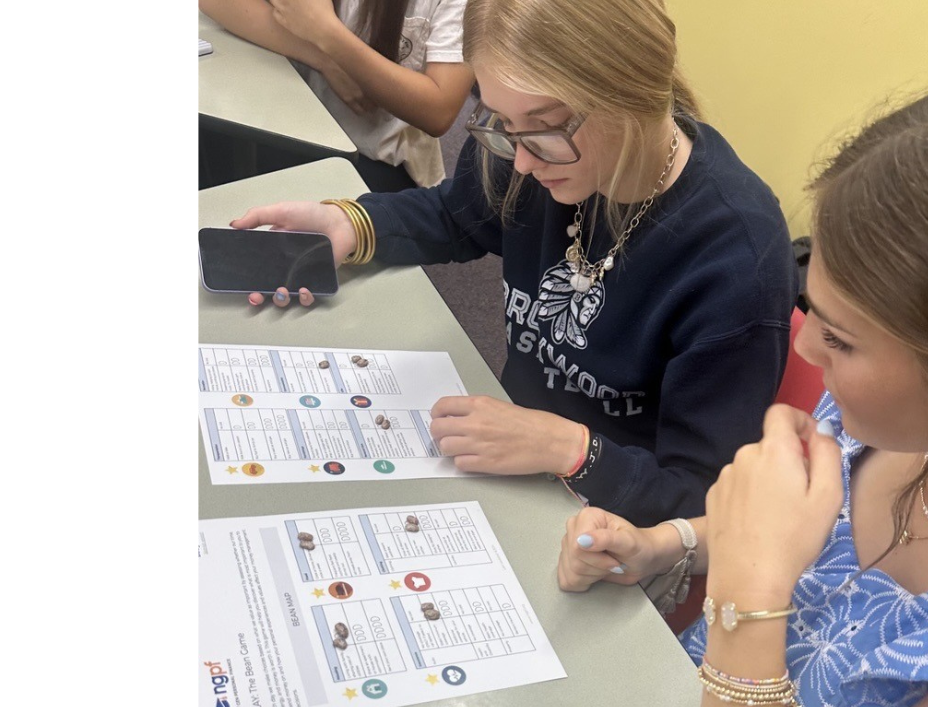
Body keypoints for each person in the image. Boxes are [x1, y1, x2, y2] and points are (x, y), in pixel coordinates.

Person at [556, 75, 928, 707]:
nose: (804, 354)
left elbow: (765, 569)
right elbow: (791, 533)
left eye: (841, 340)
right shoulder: (880, 426)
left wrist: (747, 596)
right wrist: (669, 543)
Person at [226, 0, 798, 528]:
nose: (521, 162)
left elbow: (703, 498)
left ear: (634, 93)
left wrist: (569, 448)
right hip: (509, 456)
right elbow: (458, 216)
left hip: (617, 519)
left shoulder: (735, 260)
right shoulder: (527, 141)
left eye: (544, 129)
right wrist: (353, 224)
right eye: (499, 120)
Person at [199, 0, 475, 190]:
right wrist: (326, 59)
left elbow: (439, 110)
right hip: (282, 117)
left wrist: (327, 33)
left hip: (374, 154)